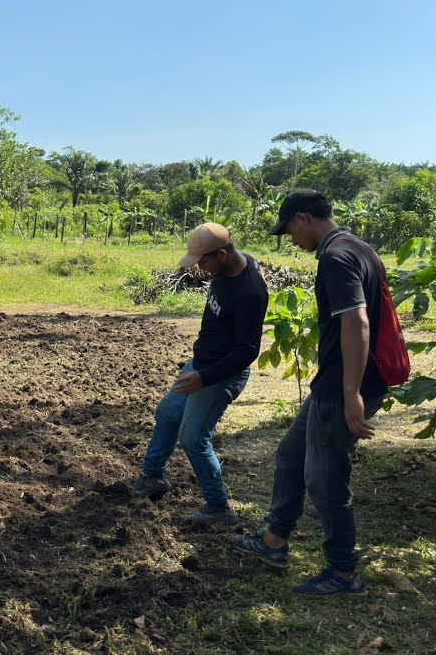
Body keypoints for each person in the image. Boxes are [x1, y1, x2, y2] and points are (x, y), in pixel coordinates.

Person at [229, 189, 386, 596]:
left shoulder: (335, 257)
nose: (293, 242)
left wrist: (351, 391)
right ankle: (273, 540)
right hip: (333, 384)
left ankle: (344, 572)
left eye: (289, 232)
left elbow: (357, 322)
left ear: (302, 218)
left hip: (343, 387)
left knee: (325, 479)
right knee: (291, 454)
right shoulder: (358, 246)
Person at [131, 223, 269, 524]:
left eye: (204, 262)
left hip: (220, 374)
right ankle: (153, 476)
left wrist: (204, 378)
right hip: (200, 363)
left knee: (193, 438)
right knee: (168, 414)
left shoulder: (249, 292)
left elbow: (247, 350)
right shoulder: (227, 266)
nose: (201, 269)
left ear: (222, 254)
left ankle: (218, 506)